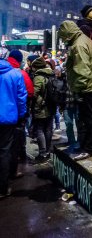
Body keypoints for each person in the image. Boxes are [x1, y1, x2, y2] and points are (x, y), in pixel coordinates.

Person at [58, 20, 92, 161]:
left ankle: (89, 147)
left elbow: (82, 70)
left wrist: (80, 90)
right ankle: (86, 145)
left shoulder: (78, 45)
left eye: (64, 36)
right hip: (91, 86)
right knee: (89, 118)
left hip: (87, 87)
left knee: (88, 119)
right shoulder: (84, 40)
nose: (64, 39)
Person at [0, 57, 27, 199]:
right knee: (4, 152)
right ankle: (3, 188)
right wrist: (21, 114)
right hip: (8, 118)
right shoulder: (15, 74)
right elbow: (22, 97)